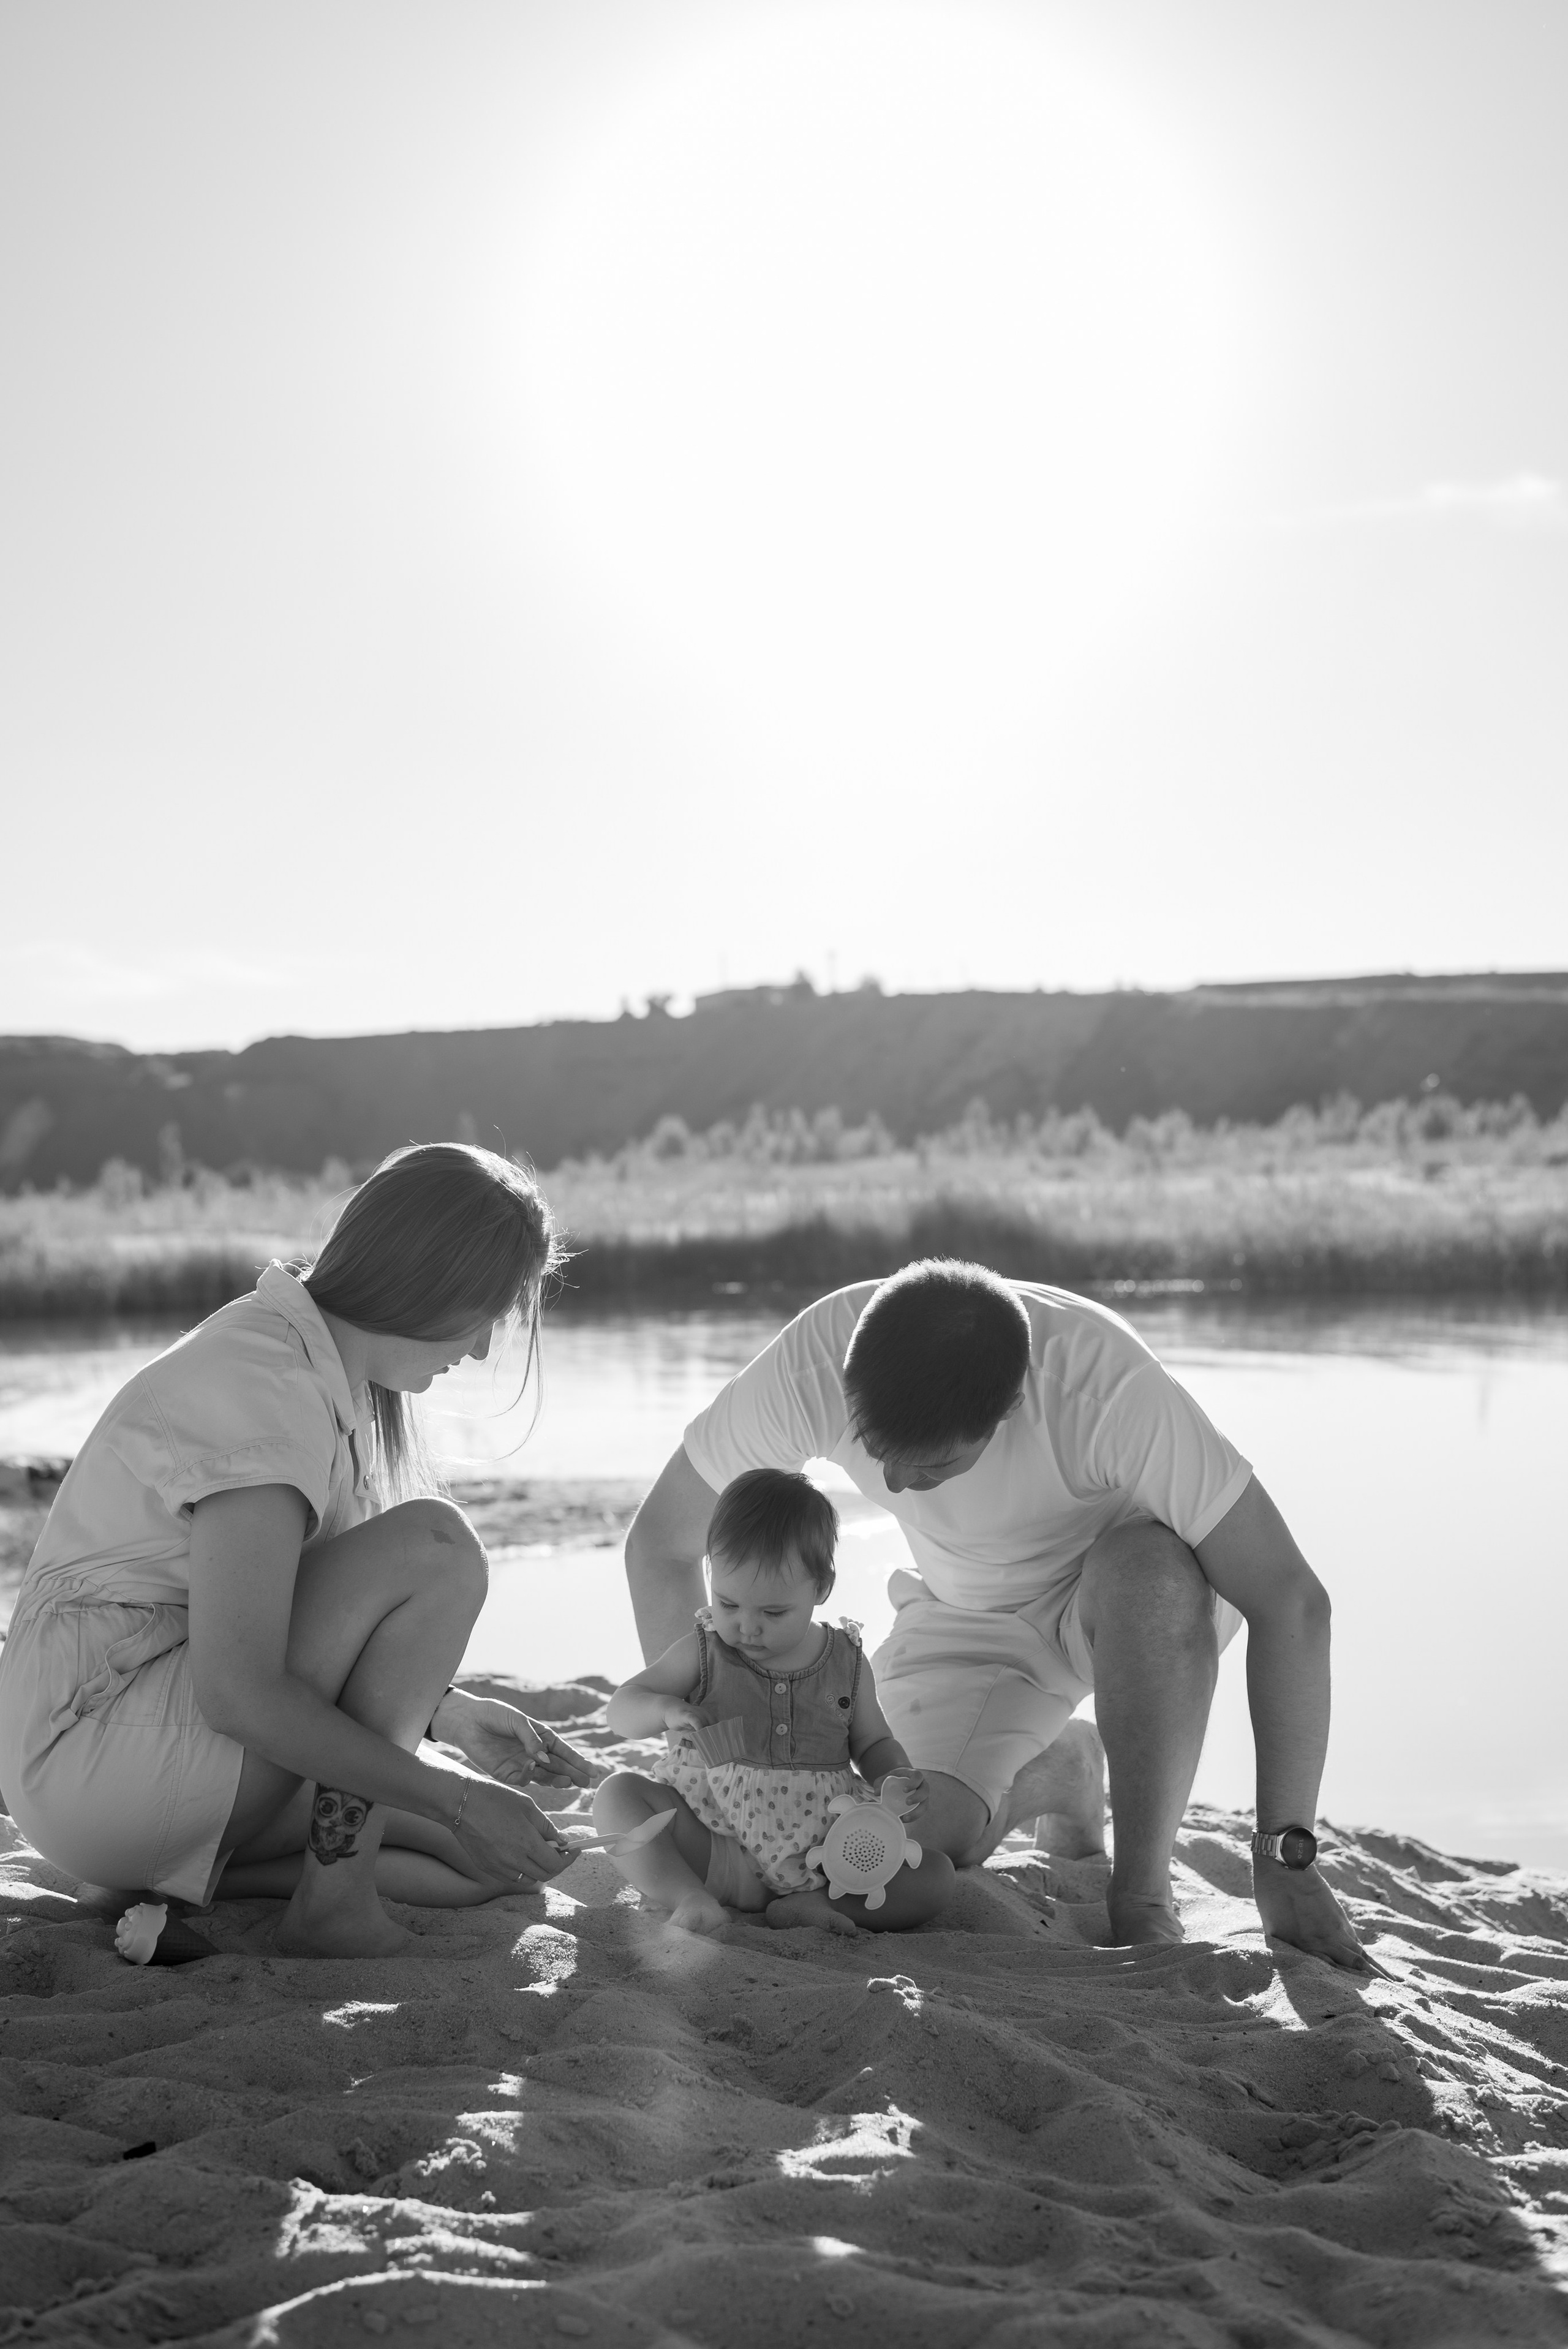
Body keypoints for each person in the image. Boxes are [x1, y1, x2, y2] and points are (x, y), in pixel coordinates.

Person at [624, 1258, 1370, 1971]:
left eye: (931, 1465)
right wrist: (723, 1755)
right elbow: (660, 1545)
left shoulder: (1107, 1391)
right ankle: (1061, 1769)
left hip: (1128, 1613)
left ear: (1009, 1406)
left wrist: (1284, 1859)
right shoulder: (815, 1360)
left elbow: (1291, 1603)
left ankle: (1141, 1890)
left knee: (1152, 1571)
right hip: (961, 1614)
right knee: (884, 1848)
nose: (893, 1480)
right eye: (874, 1446)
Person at [0, 1142, 590, 1961]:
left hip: (131, 1761)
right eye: (486, 1312)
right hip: (94, 1748)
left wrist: (449, 1715)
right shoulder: (271, 1386)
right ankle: (332, 1903)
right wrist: (451, 1792)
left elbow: (287, 1619)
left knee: (488, 1866)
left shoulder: (318, 1370)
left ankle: (188, 1881)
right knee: (438, 1546)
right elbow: (241, 1692)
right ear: (430, 1280)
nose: (485, 1349)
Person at [595, 1466, 954, 1936]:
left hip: (828, 1856)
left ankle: (810, 1906)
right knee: (617, 1796)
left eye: (773, 1611)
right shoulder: (704, 1652)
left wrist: (895, 1776)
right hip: (716, 1843)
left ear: (820, 1587)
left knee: (936, 1878)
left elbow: (873, 1741)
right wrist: (665, 1710)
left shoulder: (845, 1661)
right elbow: (622, 1707)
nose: (747, 1626)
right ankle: (689, 1895)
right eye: (728, 1604)